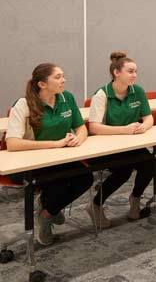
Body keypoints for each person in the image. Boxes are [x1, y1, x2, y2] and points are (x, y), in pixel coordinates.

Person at [5, 63, 94, 246]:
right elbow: (12, 143)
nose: (64, 80)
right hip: (32, 162)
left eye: (63, 75)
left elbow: (81, 128)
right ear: (42, 84)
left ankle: (47, 211)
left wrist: (78, 139)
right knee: (58, 185)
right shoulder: (23, 105)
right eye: (58, 77)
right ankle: (46, 216)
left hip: (60, 156)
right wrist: (55, 144)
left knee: (85, 178)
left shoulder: (66, 97)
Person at [87, 52, 155, 227]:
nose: (134, 75)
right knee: (123, 170)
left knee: (150, 164)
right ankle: (95, 205)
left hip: (129, 143)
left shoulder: (138, 91)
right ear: (117, 73)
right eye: (130, 71)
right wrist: (123, 130)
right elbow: (94, 128)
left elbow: (148, 118)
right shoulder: (101, 94)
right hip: (106, 147)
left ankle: (135, 199)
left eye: (136, 71)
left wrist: (144, 126)